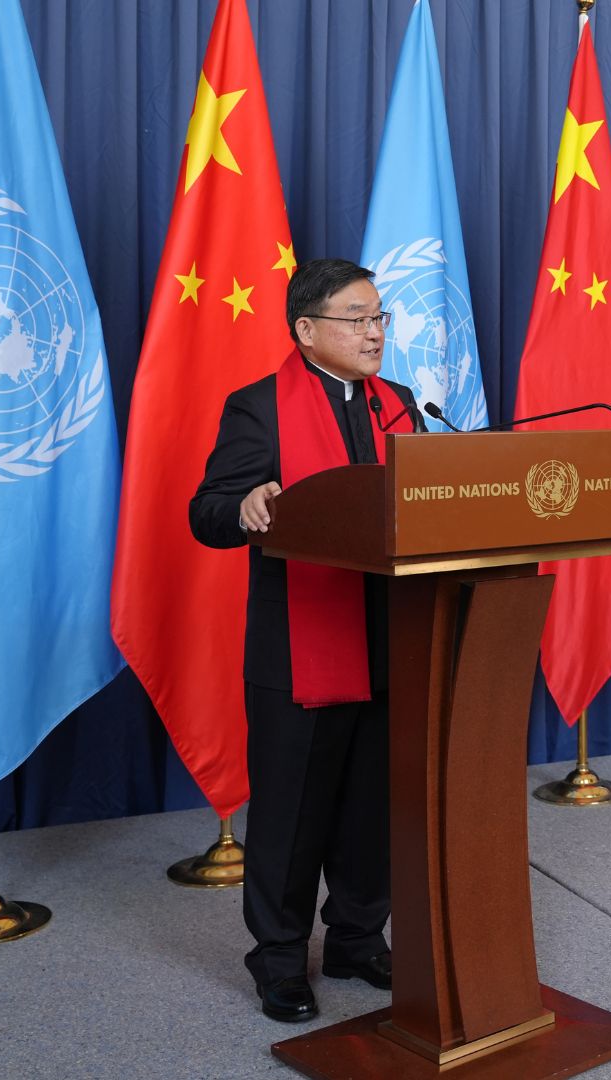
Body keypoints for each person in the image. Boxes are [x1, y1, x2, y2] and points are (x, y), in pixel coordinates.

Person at [189, 258, 423, 1023]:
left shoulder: (402, 407)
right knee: (292, 815)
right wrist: (246, 504)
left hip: (393, 638)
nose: (374, 332)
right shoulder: (259, 408)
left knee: (372, 808)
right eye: (356, 318)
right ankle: (281, 959)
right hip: (301, 647)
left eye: (380, 316)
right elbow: (207, 510)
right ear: (306, 330)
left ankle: (357, 936)